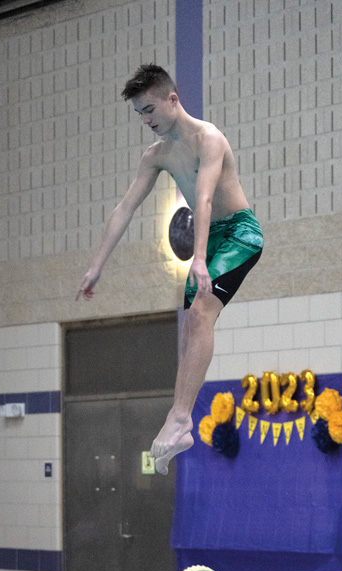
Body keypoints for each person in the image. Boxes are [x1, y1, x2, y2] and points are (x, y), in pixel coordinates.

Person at [76, 63, 263, 474]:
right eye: (139, 113)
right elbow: (124, 208)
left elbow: (205, 200)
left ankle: (179, 418)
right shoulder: (156, 155)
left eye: (148, 110)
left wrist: (198, 259)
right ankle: (181, 424)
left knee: (200, 315)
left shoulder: (208, 139)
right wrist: (96, 266)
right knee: (189, 330)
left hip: (237, 236)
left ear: (172, 99)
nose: (145, 120)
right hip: (209, 241)